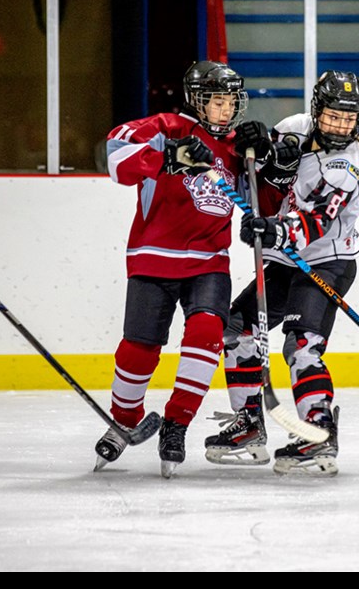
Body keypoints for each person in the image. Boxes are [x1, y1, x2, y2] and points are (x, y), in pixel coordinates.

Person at [202, 70, 359, 477]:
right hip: (284, 260)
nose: (339, 126)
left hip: (326, 262)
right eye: (333, 117)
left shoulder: (348, 166)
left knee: (301, 346)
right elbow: (268, 173)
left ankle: (318, 430)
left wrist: (276, 229)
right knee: (236, 328)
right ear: (317, 111)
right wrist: (257, 145)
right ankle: (248, 425)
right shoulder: (296, 127)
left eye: (348, 120)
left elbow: (318, 222)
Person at [93, 60, 250, 478]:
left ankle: (176, 424)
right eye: (217, 101)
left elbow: (265, 197)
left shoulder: (238, 146)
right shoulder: (167, 127)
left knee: (207, 335)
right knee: (138, 351)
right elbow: (113, 156)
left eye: (231, 101)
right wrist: (166, 155)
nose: (226, 109)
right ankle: (125, 419)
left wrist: (272, 161)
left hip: (209, 261)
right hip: (153, 255)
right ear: (197, 102)